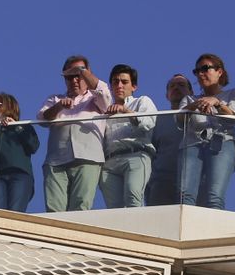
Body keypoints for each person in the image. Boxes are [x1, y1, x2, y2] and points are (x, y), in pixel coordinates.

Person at [37, 56, 110, 212]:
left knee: (81, 207)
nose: (75, 80)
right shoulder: (55, 99)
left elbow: (105, 97)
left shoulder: (96, 97)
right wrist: (58, 107)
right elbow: (43, 119)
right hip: (57, 159)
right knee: (54, 209)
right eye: (70, 76)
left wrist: (83, 71)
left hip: (88, 157)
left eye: (79, 75)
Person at [178, 54, 235, 210]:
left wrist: (217, 103)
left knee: (215, 197)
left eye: (205, 68)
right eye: (197, 70)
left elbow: (234, 119)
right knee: (185, 196)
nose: (201, 73)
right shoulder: (189, 99)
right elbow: (179, 121)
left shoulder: (231, 94)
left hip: (223, 143)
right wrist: (195, 105)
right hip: (193, 144)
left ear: (219, 71)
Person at [100, 65, 158, 209]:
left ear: (134, 87)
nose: (119, 85)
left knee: (133, 197)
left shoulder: (142, 101)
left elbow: (148, 123)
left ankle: (138, 230)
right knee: (113, 208)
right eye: (115, 81)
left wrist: (125, 111)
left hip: (136, 154)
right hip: (109, 161)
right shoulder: (104, 109)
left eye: (124, 82)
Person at [0, 93, 38, 212]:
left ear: (8, 106)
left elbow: (33, 146)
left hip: (19, 174)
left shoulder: (23, 126)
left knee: (15, 214)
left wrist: (16, 127)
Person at [147, 75, 193, 206]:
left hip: (193, 181)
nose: (176, 88)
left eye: (181, 85)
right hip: (162, 181)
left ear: (191, 92)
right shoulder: (158, 119)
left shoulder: (200, 117)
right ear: (167, 95)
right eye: (172, 86)